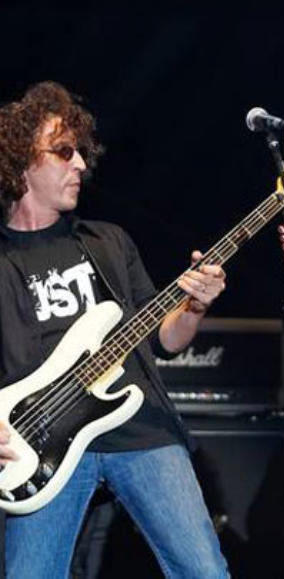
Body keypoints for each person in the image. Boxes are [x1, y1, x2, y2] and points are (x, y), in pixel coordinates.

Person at [0, 81, 229, 577]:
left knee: (204, 571)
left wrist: (194, 307)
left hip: (139, 430)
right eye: (64, 152)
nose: (81, 164)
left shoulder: (108, 243)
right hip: (40, 447)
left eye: (82, 152)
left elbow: (165, 340)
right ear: (21, 161)